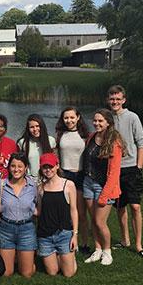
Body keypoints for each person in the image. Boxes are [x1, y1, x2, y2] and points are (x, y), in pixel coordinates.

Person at [107, 85, 143, 259]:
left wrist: (138, 167)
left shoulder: (132, 117)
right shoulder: (107, 118)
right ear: (108, 100)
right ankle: (125, 240)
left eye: (118, 99)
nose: (115, 102)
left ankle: (139, 244)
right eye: (112, 99)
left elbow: (141, 143)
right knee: (120, 207)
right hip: (114, 169)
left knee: (135, 206)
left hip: (131, 168)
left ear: (124, 100)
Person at [82, 109, 124, 266]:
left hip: (104, 187)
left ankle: (107, 251)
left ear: (108, 123)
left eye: (100, 121)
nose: (96, 123)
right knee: (93, 220)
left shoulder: (114, 142)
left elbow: (114, 174)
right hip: (88, 183)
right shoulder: (92, 137)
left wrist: (105, 195)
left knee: (100, 222)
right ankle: (97, 249)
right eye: (95, 120)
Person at [0, 153, 37, 278]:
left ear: (26, 168)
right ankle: (16, 257)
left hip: (26, 229)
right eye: (13, 166)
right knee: (6, 273)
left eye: (20, 166)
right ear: (9, 167)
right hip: (6, 228)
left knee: (26, 273)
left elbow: (37, 202)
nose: (16, 169)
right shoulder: (1, 185)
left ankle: (24, 260)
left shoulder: (32, 185)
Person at [55, 106, 91, 255]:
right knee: (65, 212)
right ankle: (66, 241)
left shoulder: (86, 135)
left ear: (78, 117)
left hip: (80, 175)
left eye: (71, 117)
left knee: (81, 213)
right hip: (65, 175)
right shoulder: (60, 134)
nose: (69, 120)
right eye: (66, 118)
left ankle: (84, 243)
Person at [36, 153, 78, 277]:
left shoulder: (68, 185)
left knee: (68, 274)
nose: (48, 170)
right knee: (52, 272)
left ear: (57, 166)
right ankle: (59, 255)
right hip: (45, 235)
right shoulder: (40, 188)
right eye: (45, 167)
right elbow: (39, 211)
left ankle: (68, 257)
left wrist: (74, 234)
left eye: (51, 166)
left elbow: (74, 210)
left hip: (63, 233)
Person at [17, 114, 56, 178]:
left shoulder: (51, 141)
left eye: (37, 126)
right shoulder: (22, 143)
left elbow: (55, 161)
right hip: (30, 178)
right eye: (32, 127)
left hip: (47, 177)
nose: (35, 129)